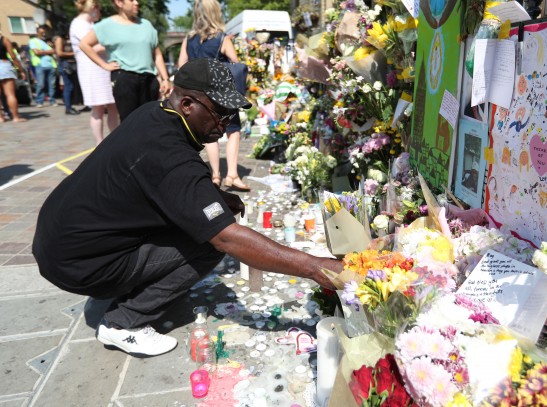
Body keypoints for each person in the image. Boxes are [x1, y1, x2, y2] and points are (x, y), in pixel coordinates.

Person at [32, 58, 341, 357]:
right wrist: (315, 267)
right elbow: (226, 237)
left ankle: (123, 281)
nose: (225, 125)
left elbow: (171, 187)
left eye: (231, 115)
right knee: (210, 244)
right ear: (187, 104)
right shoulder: (168, 154)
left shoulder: (153, 113)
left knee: (209, 218)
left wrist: (215, 198)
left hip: (59, 240)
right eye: (220, 113)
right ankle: (124, 322)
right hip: (78, 263)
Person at [178, 0, 250, 191]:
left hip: (199, 94)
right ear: (216, 13)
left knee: (210, 132)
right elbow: (235, 64)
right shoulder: (222, 38)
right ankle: (232, 175)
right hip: (221, 93)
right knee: (232, 130)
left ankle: (215, 176)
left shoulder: (189, 38)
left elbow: (181, 66)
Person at [78, 0, 171, 121]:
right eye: (131, 0)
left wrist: (165, 79)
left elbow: (157, 54)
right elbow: (84, 44)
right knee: (129, 122)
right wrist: (104, 65)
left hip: (149, 79)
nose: (136, 3)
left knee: (150, 121)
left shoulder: (146, 25)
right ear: (119, 3)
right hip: (125, 78)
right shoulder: (106, 25)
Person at [70, 0, 119, 144]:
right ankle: (100, 143)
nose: (100, 12)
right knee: (98, 107)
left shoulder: (91, 25)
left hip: (103, 68)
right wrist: (116, 42)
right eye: (98, 8)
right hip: (92, 70)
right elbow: (93, 47)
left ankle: (115, 139)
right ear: (93, 8)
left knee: (112, 105)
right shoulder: (78, 24)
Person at [0, 29, 28, 122]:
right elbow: (13, 56)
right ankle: (16, 117)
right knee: (10, 94)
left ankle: (1, 117)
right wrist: (21, 70)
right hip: (4, 65)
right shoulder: (4, 40)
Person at [54, 23, 80, 115]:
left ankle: (70, 106)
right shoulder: (59, 39)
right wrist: (75, 53)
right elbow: (59, 53)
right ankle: (68, 108)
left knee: (71, 86)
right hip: (66, 65)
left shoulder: (66, 38)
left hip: (71, 64)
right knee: (68, 86)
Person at [29, 25, 58, 107]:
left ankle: (52, 101)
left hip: (51, 65)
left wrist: (47, 50)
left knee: (52, 85)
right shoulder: (33, 41)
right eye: (41, 32)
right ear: (37, 33)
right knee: (41, 84)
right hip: (40, 65)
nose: (43, 34)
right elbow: (37, 52)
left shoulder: (47, 42)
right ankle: (39, 101)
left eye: (45, 32)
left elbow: (54, 51)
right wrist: (49, 51)